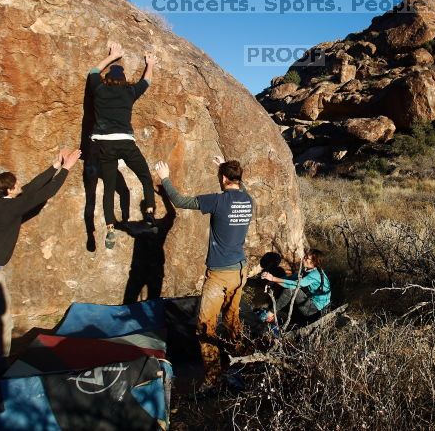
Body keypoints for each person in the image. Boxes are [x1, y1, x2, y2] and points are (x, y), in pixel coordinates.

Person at [0, 148, 80, 376]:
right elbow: (43, 194)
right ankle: (0, 371)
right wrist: (67, 169)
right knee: (4, 321)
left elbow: (31, 189)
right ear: (8, 190)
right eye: (16, 185)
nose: (20, 186)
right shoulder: (9, 208)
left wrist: (55, 165)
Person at [153, 156, 253, 394]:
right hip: (240, 272)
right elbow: (241, 186)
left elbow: (180, 201)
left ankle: (213, 379)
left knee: (205, 327)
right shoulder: (248, 199)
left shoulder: (218, 201)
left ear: (223, 179)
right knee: (232, 322)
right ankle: (237, 369)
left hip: (219, 275)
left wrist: (165, 178)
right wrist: (223, 165)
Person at [87, 41, 157, 249]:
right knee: (145, 177)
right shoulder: (129, 92)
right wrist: (150, 63)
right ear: (124, 80)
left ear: (107, 79)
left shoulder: (99, 88)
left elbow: (93, 71)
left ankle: (109, 228)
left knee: (109, 187)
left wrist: (113, 55)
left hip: (104, 145)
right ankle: (150, 216)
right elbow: (146, 82)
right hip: (126, 143)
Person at [260, 249, 331, 324]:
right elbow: (291, 278)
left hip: (315, 310)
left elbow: (296, 284)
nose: (304, 258)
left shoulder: (315, 274)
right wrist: (273, 282)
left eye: (307, 258)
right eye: (305, 256)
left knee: (291, 290)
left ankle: (271, 313)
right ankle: (278, 315)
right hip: (310, 304)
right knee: (285, 284)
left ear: (314, 262)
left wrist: (273, 278)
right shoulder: (309, 270)